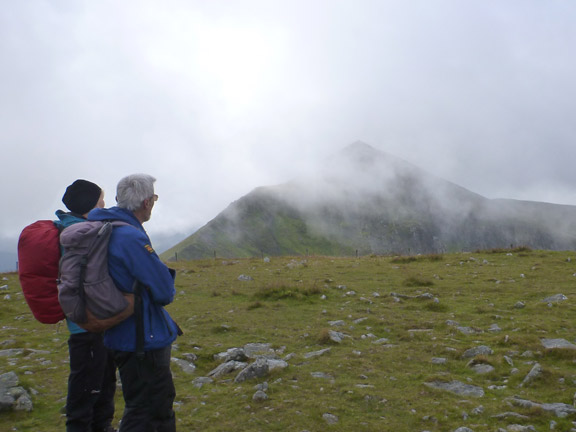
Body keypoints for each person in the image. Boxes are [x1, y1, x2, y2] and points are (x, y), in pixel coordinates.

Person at [87, 173, 180, 432]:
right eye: (155, 198)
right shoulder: (131, 238)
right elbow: (164, 292)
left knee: (140, 404)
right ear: (147, 203)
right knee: (150, 410)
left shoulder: (103, 226)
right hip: (142, 339)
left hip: (118, 333)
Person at [55, 179, 116, 432]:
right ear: (89, 205)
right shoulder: (81, 235)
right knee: (86, 389)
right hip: (88, 326)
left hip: (90, 324)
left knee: (101, 384)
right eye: (101, 200)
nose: (104, 204)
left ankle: (103, 427)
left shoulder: (73, 229)